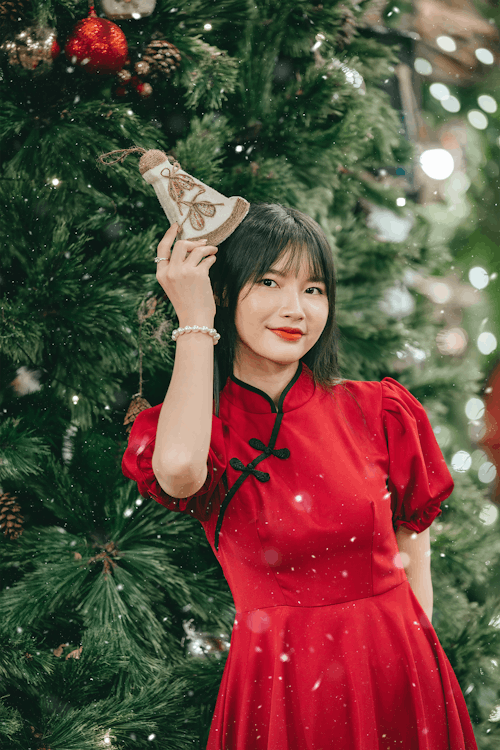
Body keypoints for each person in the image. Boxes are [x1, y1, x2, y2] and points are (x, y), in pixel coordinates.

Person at [122, 203, 478, 750]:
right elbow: (178, 471)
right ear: (223, 290)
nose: (295, 309)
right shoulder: (201, 428)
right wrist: (195, 321)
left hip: (402, 673)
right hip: (285, 690)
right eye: (269, 281)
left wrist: (414, 664)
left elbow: (414, 542)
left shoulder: (375, 409)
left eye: (313, 289)